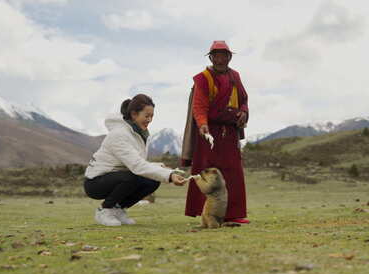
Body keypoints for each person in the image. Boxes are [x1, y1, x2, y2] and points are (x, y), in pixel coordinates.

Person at [84, 94, 186, 226]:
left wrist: (162, 169)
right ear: (134, 114)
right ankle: (104, 210)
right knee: (131, 177)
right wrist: (169, 176)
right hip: (95, 182)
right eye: (146, 116)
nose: (149, 120)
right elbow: (137, 166)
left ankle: (118, 209)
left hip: (118, 175)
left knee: (152, 181)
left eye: (152, 116)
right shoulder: (119, 134)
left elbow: (137, 162)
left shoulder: (138, 134)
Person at [181, 40, 250, 224]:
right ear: (211, 58)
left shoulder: (235, 76)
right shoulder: (203, 78)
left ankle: (234, 214)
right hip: (209, 134)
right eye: (216, 56)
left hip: (229, 132)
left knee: (233, 172)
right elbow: (200, 105)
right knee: (206, 171)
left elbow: (243, 99)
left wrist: (243, 111)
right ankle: (205, 213)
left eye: (223, 56)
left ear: (229, 57)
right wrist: (202, 124)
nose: (220, 60)